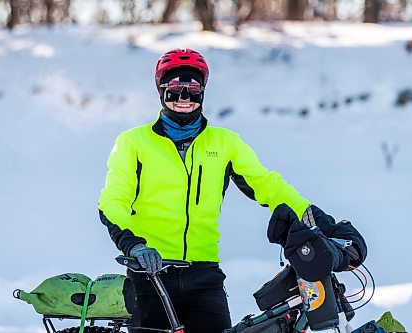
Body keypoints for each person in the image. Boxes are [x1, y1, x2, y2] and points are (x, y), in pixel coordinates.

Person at [98, 49, 365, 333]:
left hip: (204, 276)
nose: (184, 97)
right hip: (149, 276)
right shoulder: (133, 143)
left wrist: (323, 223)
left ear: (203, 92)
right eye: (175, 89)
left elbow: (268, 186)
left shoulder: (225, 143)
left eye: (193, 88)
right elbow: (113, 201)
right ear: (161, 91)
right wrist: (134, 245)